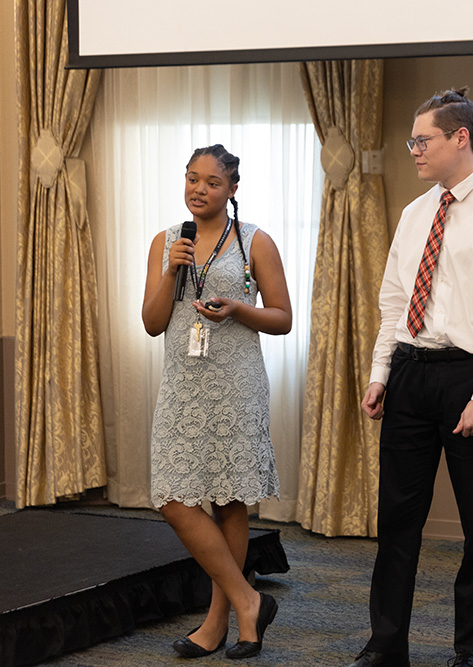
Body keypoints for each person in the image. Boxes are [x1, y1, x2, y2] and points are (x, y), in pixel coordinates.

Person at [349, 88, 473, 667]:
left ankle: (472, 651)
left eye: (422, 139)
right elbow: (394, 301)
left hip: (471, 379)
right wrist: (382, 371)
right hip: (410, 372)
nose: (413, 150)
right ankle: (386, 645)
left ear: (461, 138)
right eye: (412, 140)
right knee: (397, 521)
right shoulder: (414, 213)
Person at [142, 144, 292, 659]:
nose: (198, 189)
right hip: (183, 383)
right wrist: (170, 272)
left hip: (236, 382)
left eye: (210, 181)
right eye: (191, 179)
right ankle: (249, 599)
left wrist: (238, 310)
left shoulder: (255, 241)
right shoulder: (168, 242)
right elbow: (153, 322)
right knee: (174, 498)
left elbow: (282, 317)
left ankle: (219, 621)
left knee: (229, 500)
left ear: (231, 189)